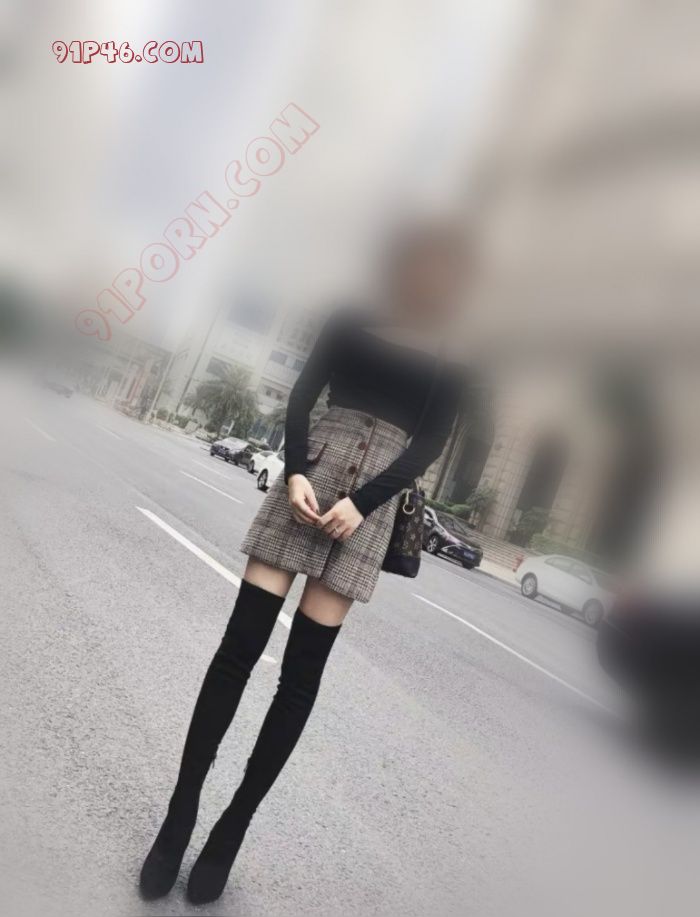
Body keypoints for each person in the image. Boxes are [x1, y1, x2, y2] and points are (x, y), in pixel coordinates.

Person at [139, 223, 469, 905]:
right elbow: (301, 396)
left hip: (368, 506)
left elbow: (430, 443)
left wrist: (366, 502)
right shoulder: (352, 313)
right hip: (309, 478)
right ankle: (180, 814)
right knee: (237, 652)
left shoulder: (454, 350)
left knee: (299, 680)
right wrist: (293, 471)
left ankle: (231, 829)